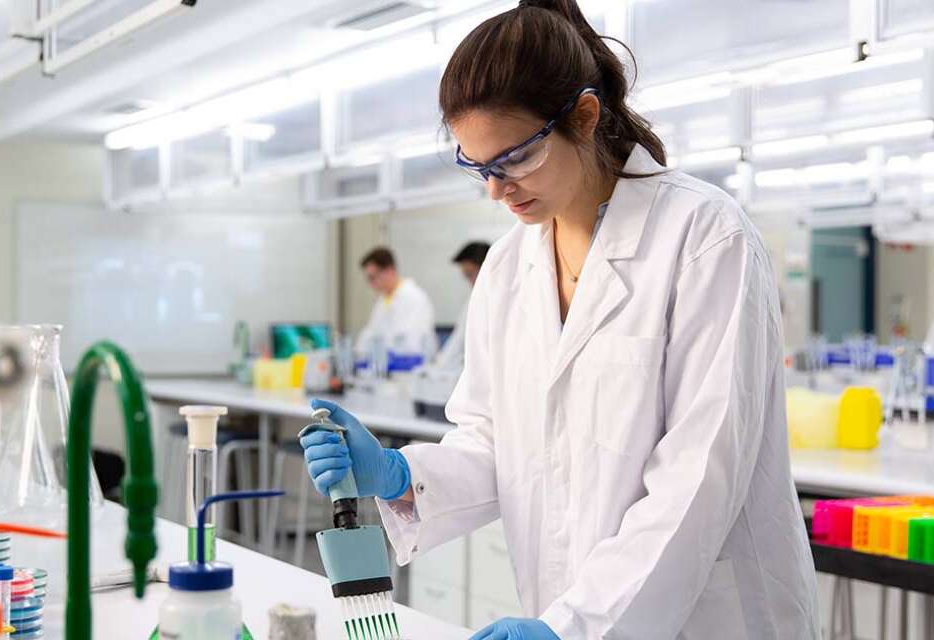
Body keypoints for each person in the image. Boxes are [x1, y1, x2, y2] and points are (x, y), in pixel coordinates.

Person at [299, 2, 819, 638]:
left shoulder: (704, 236)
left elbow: (698, 476)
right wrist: (403, 474)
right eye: (478, 167)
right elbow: (495, 442)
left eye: (514, 159)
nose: (498, 189)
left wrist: (571, 628)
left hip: (707, 618)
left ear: (584, 115)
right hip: (569, 605)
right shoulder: (508, 265)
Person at [355, 247, 437, 358]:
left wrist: (379, 349)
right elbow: (368, 337)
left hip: (412, 368)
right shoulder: (383, 300)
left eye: (373, 277)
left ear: (390, 271)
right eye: (368, 279)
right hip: (388, 365)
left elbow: (411, 344)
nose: (371, 284)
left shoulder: (414, 297)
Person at [432, 241, 491, 369]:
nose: (470, 281)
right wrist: (438, 364)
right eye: (466, 276)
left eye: (470, 274)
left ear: (486, 268)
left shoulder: (496, 299)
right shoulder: (475, 297)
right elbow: (458, 339)